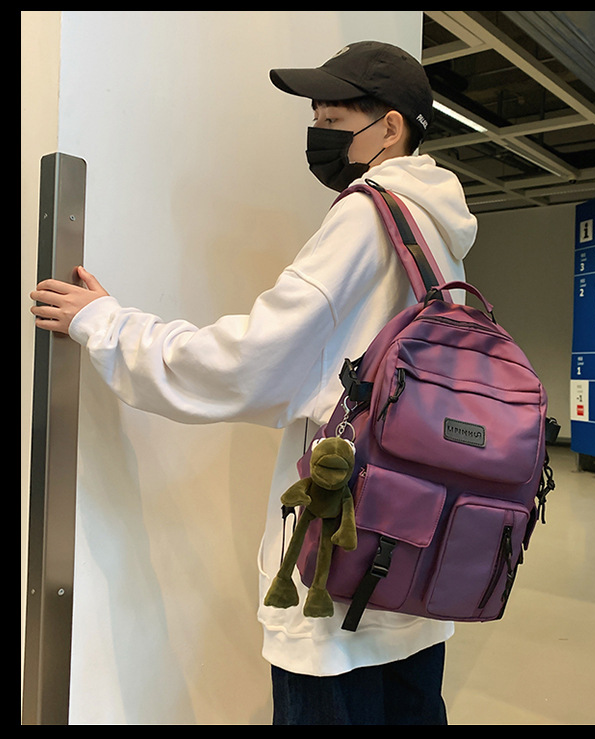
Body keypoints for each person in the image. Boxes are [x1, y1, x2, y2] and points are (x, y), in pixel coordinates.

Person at [30, 40, 477, 725]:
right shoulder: (439, 234)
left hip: (336, 580)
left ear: (390, 128)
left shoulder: (366, 215)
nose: (318, 134)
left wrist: (107, 324)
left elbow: (251, 362)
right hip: (413, 570)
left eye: (333, 120)